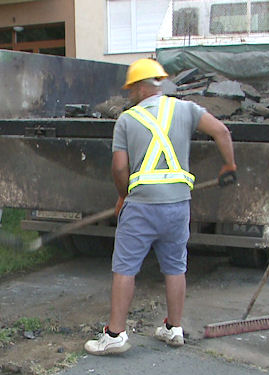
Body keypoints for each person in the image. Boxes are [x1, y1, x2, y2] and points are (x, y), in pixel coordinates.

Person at [84, 59, 236, 355]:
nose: (129, 94)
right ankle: (173, 328)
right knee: (175, 267)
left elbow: (119, 168)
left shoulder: (126, 120)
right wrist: (229, 165)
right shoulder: (187, 109)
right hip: (178, 205)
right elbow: (222, 132)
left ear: (142, 88)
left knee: (125, 268)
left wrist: (122, 196)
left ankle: (115, 335)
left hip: (141, 205)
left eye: (131, 88)